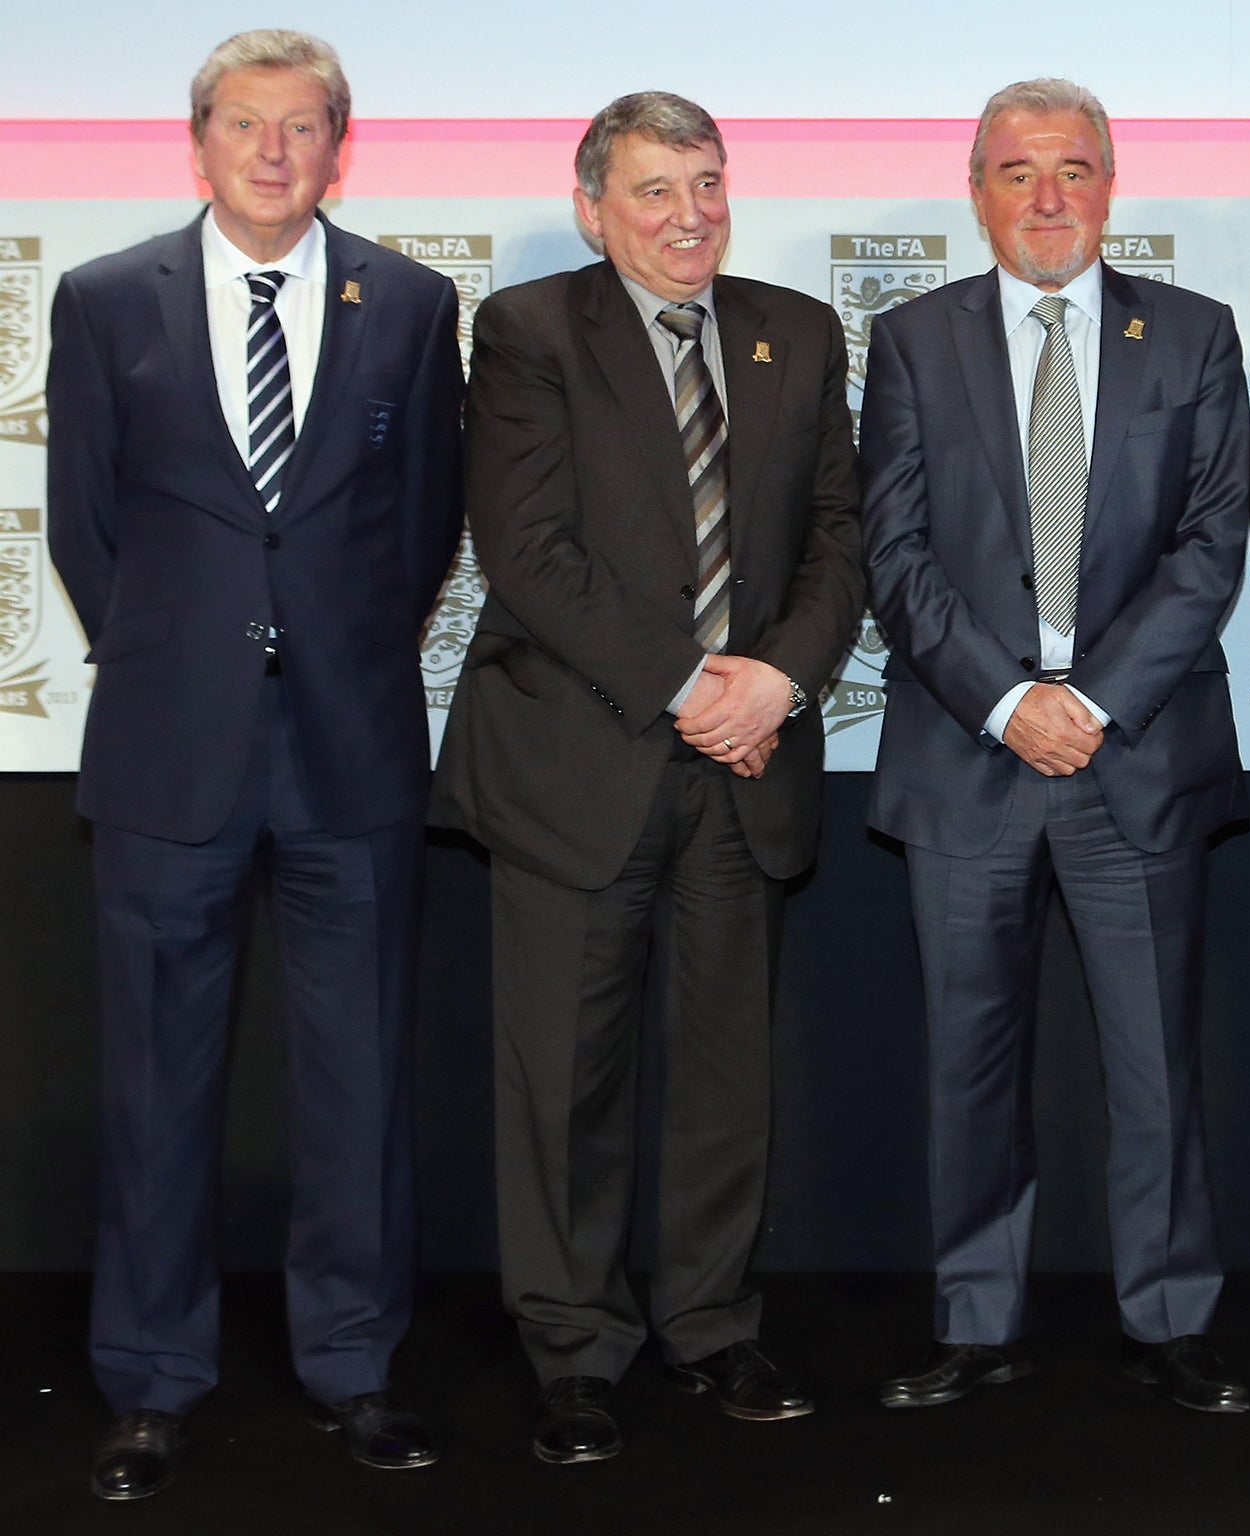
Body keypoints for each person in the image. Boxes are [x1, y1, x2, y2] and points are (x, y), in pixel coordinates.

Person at [46, 28, 463, 1500]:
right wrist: (192, 661)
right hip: (172, 752)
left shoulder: (410, 304)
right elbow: (85, 530)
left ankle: (353, 1367)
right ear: (200, 143)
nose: (273, 151)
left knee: (358, 1076)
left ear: (340, 147)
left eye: (302, 128)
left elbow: (421, 528)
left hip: (351, 748)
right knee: (158, 1081)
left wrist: (326, 651)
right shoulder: (105, 303)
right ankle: (151, 1383)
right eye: (244, 125)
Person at [433, 91, 863, 1463]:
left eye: (708, 184)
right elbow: (529, 553)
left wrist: (778, 681)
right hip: (581, 765)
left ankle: (713, 1327)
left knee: (728, 1074)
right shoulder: (530, 332)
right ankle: (572, 1351)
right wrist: (697, 688)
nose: (690, 216)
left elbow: (838, 545)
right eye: (655, 192)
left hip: (749, 766)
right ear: (591, 209)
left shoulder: (796, 331)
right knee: (565, 1080)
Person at [860, 78, 1250, 1413]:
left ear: (1110, 182)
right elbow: (896, 556)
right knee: (968, 1061)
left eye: (1073, 169)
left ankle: (1171, 1314)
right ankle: (975, 1320)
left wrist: (1092, 702)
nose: (1047, 197)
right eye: (1018, 172)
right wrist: (1005, 700)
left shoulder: (1194, 337)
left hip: (1132, 756)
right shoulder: (912, 341)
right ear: (978, 191)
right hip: (969, 758)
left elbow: (1211, 551)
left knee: (1156, 1061)